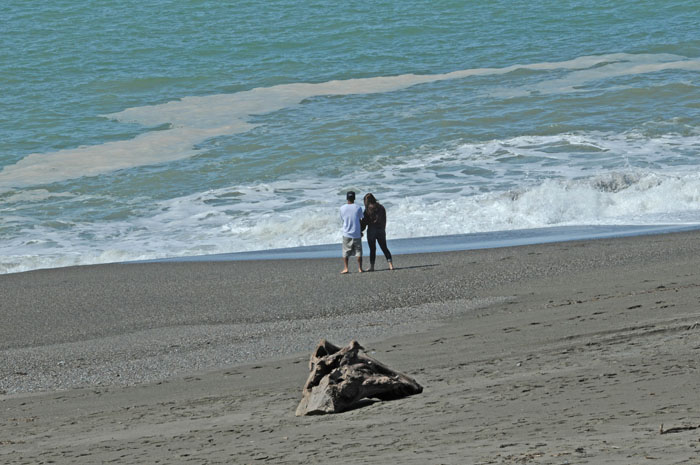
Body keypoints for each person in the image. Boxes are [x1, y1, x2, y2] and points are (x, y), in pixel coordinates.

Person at [361, 193, 394, 271]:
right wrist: (383, 229)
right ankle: (391, 265)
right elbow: (384, 220)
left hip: (371, 231)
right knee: (384, 247)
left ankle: (372, 267)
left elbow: (364, 223)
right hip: (380, 230)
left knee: (372, 249)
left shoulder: (367, 210)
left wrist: (360, 231)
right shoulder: (381, 207)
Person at [339, 191, 363, 274]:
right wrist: (361, 231)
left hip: (346, 233)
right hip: (356, 233)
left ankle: (346, 268)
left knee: (345, 251)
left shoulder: (342, 208)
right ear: (354, 198)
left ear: (347, 198)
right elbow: (360, 220)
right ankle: (360, 268)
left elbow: (343, 219)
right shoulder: (358, 207)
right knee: (358, 251)